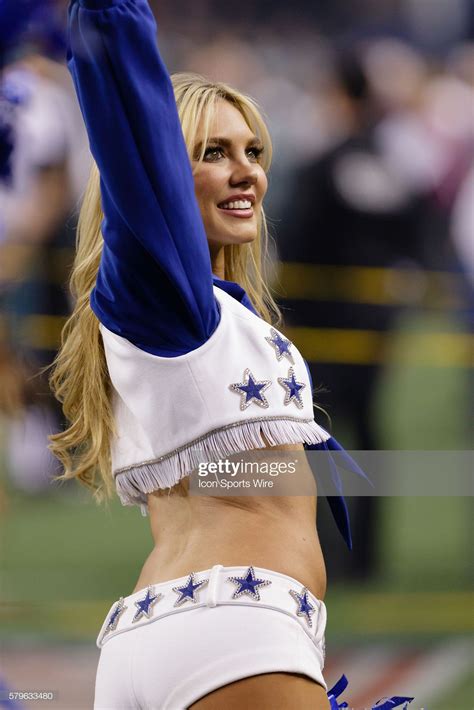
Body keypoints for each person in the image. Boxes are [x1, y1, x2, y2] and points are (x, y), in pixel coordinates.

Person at [49, 1, 414, 708]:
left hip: (156, 635)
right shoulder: (169, 302)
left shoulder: (204, 322)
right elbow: (131, 120)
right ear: (163, 179)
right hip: (237, 633)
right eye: (212, 153)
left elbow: (217, 481)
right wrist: (110, 18)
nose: (245, 171)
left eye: (254, 152)